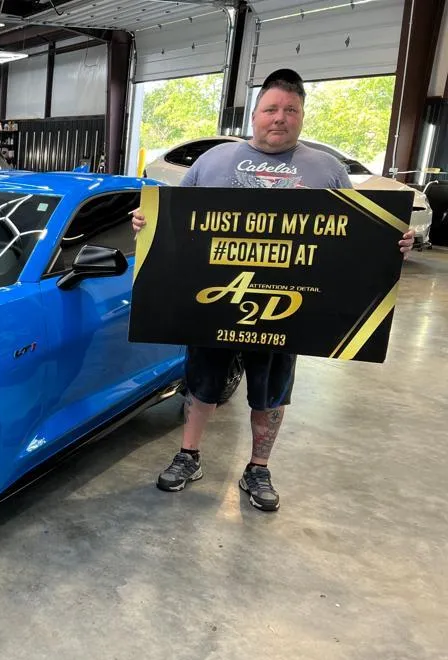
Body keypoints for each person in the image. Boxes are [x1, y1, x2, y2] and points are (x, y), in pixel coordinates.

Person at [131, 67, 415, 512]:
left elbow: (356, 234)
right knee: (202, 386)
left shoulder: (327, 169)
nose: (279, 117)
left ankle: (257, 468)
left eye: (290, 110)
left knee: (271, 394)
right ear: (254, 114)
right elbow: (174, 219)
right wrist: (145, 223)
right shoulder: (213, 162)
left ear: (302, 115)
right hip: (216, 303)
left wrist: (392, 241)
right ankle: (189, 455)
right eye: (270, 109)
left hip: (287, 310)